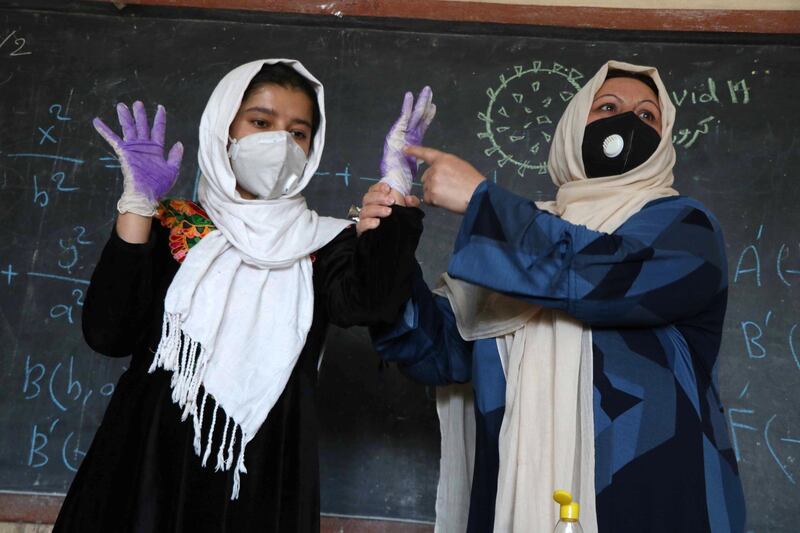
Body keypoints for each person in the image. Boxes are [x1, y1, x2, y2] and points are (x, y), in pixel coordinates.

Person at [367, 60, 746, 533]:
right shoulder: (509, 247)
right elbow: (431, 351)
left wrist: (481, 200)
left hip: (650, 501)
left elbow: (598, 276)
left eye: (648, 116)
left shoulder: (686, 229)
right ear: (570, 128)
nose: (628, 122)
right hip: (517, 499)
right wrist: (389, 235)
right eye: (607, 106)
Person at [54, 59, 429, 532]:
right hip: (149, 461)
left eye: (298, 133)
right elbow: (109, 333)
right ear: (224, 128)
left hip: (264, 464)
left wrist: (395, 191)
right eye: (260, 122)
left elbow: (371, 303)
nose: (280, 143)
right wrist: (137, 206)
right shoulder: (173, 223)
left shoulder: (326, 241)